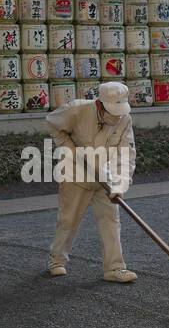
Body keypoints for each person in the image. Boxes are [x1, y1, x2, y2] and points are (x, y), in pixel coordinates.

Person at [46, 80, 138, 282]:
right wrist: (69, 149)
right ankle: (57, 260)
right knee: (69, 220)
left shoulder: (124, 119)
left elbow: (127, 154)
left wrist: (120, 184)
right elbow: (52, 124)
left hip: (104, 178)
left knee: (111, 220)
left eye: (120, 110)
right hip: (75, 175)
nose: (117, 116)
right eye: (113, 111)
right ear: (99, 104)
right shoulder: (77, 110)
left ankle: (114, 268)